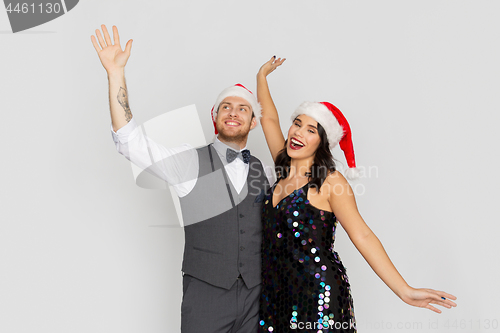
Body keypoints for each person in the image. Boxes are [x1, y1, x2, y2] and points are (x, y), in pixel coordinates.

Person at [91, 25, 272, 333]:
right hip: (206, 294)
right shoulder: (189, 162)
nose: (233, 112)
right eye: (226, 106)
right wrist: (115, 75)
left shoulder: (267, 172)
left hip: (257, 297)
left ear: (254, 122)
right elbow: (130, 142)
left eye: (243, 108)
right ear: (214, 117)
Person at [256, 56, 457, 332]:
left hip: (317, 295)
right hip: (275, 295)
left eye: (311, 129)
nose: (298, 132)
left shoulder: (331, 182)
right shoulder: (282, 167)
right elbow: (268, 118)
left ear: (322, 142)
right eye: (297, 123)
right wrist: (262, 76)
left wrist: (404, 290)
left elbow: (362, 235)